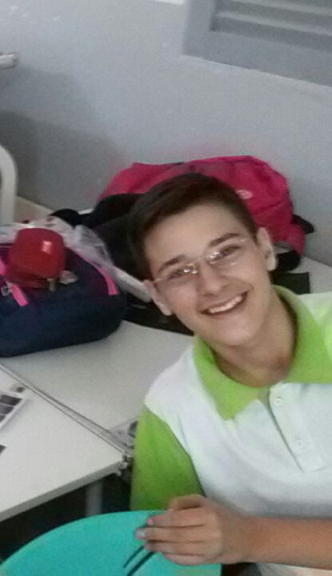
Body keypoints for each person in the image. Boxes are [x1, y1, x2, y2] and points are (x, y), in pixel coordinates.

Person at [128, 173, 332, 574]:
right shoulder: (169, 410)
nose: (211, 284)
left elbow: (242, 540)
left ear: (265, 249)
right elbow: (165, 559)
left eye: (226, 252)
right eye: (180, 272)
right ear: (159, 297)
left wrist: (250, 538)